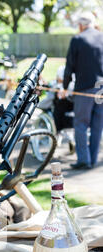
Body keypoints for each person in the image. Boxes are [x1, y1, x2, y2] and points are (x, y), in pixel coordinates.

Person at [63, 12, 103, 170]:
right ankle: (92, 160)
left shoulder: (78, 39)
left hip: (84, 89)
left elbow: (69, 67)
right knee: (97, 126)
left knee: (80, 124)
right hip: (101, 90)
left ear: (80, 25)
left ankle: (84, 160)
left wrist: (65, 87)